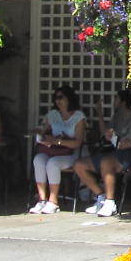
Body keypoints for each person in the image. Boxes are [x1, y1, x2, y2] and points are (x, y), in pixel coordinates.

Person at [29, 85, 87, 214]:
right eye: (56, 98)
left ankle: (53, 201)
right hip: (53, 150)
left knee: (52, 164)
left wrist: (58, 141)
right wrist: (41, 134)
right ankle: (41, 199)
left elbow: (78, 142)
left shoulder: (78, 117)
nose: (58, 101)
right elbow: (44, 130)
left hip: (70, 153)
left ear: (69, 98)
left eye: (61, 97)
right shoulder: (53, 114)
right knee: (38, 159)